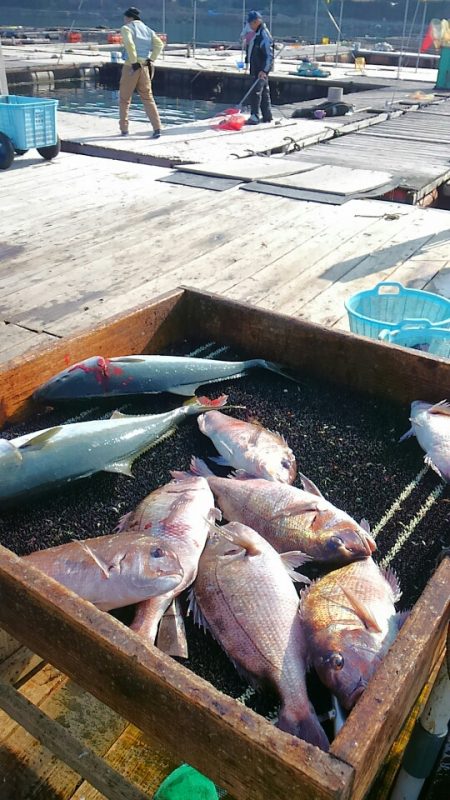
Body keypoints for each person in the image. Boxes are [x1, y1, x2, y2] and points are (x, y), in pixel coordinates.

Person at [119, 7, 164, 138]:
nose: (124, 19)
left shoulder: (126, 28)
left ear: (129, 17)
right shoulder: (147, 29)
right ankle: (157, 128)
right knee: (148, 98)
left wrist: (133, 61)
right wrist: (152, 59)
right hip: (145, 66)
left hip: (131, 67)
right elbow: (159, 44)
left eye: (125, 17)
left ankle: (124, 129)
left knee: (124, 99)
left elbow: (129, 44)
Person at [245, 10, 273, 125]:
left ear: (257, 22)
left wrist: (264, 70)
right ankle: (267, 116)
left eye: (251, 23)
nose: (250, 26)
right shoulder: (256, 34)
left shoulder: (263, 35)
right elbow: (252, 49)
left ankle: (255, 116)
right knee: (264, 92)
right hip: (256, 68)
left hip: (260, 69)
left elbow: (269, 55)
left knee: (255, 92)